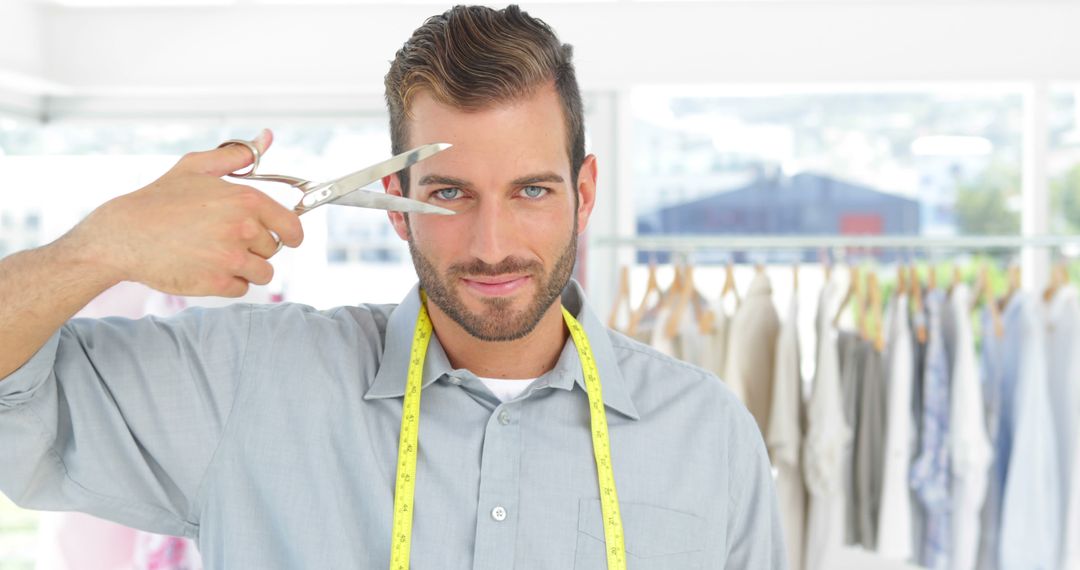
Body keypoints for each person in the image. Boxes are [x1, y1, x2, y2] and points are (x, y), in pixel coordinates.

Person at [0, 5, 784, 568]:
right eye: (448, 194)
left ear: (584, 193)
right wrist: (99, 247)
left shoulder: (707, 435)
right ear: (396, 209)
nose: (493, 245)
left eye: (532, 192)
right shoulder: (246, 385)